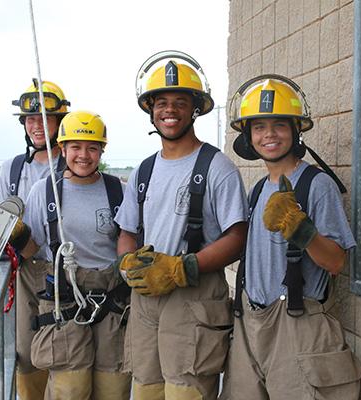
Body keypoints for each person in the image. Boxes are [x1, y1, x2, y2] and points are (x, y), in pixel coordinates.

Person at [113, 50, 248, 400]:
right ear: (150, 110)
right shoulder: (142, 171)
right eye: (160, 103)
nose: (169, 110)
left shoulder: (218, 168)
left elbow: (238, 236)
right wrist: (128, 264)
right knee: (145, 390)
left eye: (179, 102)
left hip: (195, 297)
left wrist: (182, 267)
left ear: (196, 109)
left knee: (186, 393)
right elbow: (127, 232)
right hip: (145, 301)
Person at [220, 75, 361, 399]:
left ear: (296, 130)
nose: (269, 134)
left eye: (279, 125)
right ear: (248, 136)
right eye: (259, 127)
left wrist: (302, 230)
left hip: (297, 323)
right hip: (250, 323)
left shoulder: (317, 184)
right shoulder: (257, 189)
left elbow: (336, 261)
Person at [17, 110, 131, 399]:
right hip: (65, 304)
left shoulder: (118, 191)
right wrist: (15, 237)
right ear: (63, 149)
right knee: (70, 389)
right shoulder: (45, 193)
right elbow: (35, 253)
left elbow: (132, 242)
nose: (84, 155)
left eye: (92, 148)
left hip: (112, 303)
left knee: (113, 390)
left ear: (102, 150)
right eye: (76, 147)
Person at [0, 79, 69, 398]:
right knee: (26, 355)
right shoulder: (11, 170)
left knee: (68, 354)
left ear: (61, 122)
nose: (36, 126)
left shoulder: (75, 164)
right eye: (30, 119)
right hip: (25, 272)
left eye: (45, 118)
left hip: (66, 271)